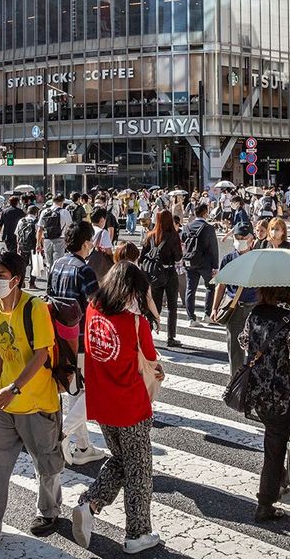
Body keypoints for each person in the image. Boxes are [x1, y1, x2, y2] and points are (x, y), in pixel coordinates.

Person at [0, 252, 65, 548]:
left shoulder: (34, 308)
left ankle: (49, 511)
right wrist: (0, 386)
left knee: (46, 464)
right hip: (5, 402)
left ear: (16, 279)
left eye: (1, 276)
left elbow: (41, 354)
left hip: (38, 402)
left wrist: (14, 388)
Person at [71, 262, 163, 553]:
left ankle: (90, 503)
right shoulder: (135, 322)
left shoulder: (92, 310)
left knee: (122, 460)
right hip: (131, 405)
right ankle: (137, 533)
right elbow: (151, 359)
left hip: (102, 402)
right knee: (139, 471)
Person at [238, 285, 290, 522]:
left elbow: (244, 341)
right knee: (275, 446)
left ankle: (278, 480)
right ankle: (265, 502)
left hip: (256, 390)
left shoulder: (256, 313)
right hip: (280, 395)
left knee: (273, 440)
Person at [48, 220, 106, 465]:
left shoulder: (56, 264)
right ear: (85, 243)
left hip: (59, 337)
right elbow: (97, 305)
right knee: (93, 392)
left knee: (75, 390)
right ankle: (64, 433)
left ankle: (83, 447)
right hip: (82, 338)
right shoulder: (84, 271)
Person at [210, 222, 261, 375]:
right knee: (235, 348)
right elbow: (221, 285)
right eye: (237, 237)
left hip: (255, 307)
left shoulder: (258, 258)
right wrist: (214, 308)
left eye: (244, 238)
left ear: (252, 239)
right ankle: (235, 380)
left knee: (257, 347)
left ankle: (254, 380)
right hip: (235, 306)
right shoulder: (228, 258)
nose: (240, 241)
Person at [140, 209, 184, 347]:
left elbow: (142, 256)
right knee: (172, 306)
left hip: (154, 274)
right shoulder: (173, 236)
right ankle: (171, 337)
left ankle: (147, 335)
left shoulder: (150, 235)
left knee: (155, 306)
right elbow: (178, 257)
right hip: (169, 272)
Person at [181, 203, 219, 324]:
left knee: (190, 289)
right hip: (205, 262)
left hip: (190, 261)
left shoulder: (187, 226)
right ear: (205, 213)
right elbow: (214, 248)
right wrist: (215, 266)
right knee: (210, 287)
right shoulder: (208, 228)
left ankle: (191, 318)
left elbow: (183, 242)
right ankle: (207, 314)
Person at [36, 194, 73, 291]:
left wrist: (38, 243)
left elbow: (39, 229)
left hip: (47, 240)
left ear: (52, 201)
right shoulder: (65, 212)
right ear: (63, 201)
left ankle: (49, 285)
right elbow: (70, 228)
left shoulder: (45, 211)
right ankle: (56, 286)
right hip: (60, 240)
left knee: (49, 264)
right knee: (58, 263)